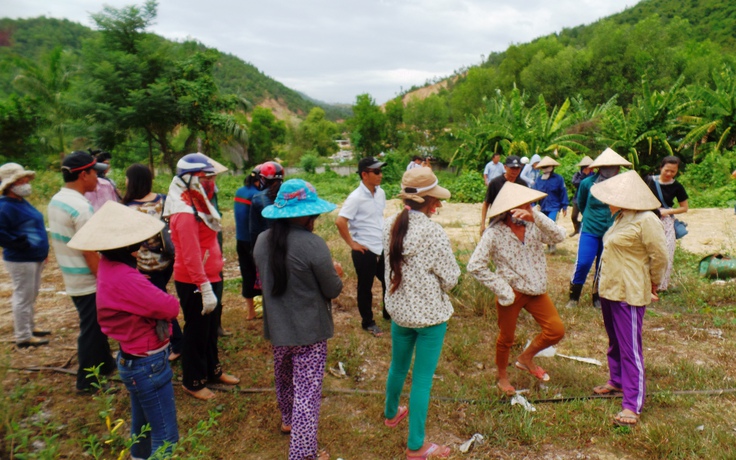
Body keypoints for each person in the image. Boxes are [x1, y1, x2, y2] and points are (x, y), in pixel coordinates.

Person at [68, 201, 180, 458]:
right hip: (148, 361)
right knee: (166, 437)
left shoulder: (109, 265)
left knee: (143, 429)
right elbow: (170, 307)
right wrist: (145, 289)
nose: (139, 245)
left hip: (132, 358)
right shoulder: (126, 277)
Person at [253, 179, 342, 460]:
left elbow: (272, 279)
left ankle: (287, 419)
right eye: (313, 214)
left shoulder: (261, 241)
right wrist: (335, 271)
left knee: (284, 376)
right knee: (307, 393)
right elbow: (332, 289)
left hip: (278, 329)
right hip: (309, 332)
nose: (315, 219)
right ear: (304, 214)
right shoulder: (313, 245)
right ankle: (303, 455)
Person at [382, 167, 460, 460]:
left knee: (398, 367)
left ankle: (391, 414)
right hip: (430, 318)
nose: (438, 205)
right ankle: (416, 446)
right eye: (436, 201)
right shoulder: (433, 232)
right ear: (428, 202)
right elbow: (451, 278)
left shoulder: (388, 224)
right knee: (422, 380)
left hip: (399, 311)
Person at [468, 182, 566, 395]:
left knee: (556, 330)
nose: (528, 207)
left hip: (536, 290)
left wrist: (536, 218)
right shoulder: (494, 233)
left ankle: (525, 358)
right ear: (509, 208)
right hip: (511, 292)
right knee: (506, 338)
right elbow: (475, 265)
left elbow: (559, 236)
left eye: (530, 204)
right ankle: (502, 375)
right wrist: (503, 288)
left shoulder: (533, 224)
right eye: (524, 204)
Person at [589, 171, 667, 427]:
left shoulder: (647, 219)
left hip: (630, 292)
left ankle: (632, 404)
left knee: (631, 349)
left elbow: (660, 256)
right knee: (615, 342)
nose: (607, 202)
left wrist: (654, 282)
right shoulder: (621, 217)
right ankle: (617, 382)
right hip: (610, 290)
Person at [163, 153, 239, 400]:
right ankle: (193, 381)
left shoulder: (198, 202)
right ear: (190, 179)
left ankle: (213, 370)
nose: (211, 182)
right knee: (196, 330)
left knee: (209, 330)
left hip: (210, 275)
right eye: (206, 177)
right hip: (195, 280)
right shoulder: (184, 211)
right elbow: (190, 253)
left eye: (212, 177)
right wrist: (204, 287)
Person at [48, 151, 117, 392]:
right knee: (92, 331)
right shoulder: (81, 207)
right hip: (86, 279)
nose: (99, 178)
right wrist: (105, 281)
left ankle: (106, 365)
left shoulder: (58, 199)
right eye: (94, 172)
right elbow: (89, 252)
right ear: (83, 174)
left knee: (95, 326)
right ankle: (87, 382)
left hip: (72, 275)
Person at [122, 164, 181, 361]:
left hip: (146, 265)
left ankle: (177, 343)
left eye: (127, 178)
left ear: (133, 181)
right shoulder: (163, 199)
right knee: (160, 295)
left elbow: (128, 243)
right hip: (167, 259)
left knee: (159, 302)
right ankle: (168, 339)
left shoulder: (129, 208)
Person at [566, 148, 631, 309]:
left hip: (611, 231)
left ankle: (597, 296)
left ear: (618, 168)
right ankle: (574, 296)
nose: (610, 170)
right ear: (599, 167)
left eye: (613, 167)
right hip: (590, 228)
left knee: (604, 264)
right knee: (583, 262)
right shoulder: (587, 183)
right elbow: (581, 203)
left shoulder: (623, 185)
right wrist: (590, 217)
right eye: (606, 166)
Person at [335, 156, 388, 337]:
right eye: (376, 172)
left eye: (381, 171)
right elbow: (340, 221)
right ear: (364, 175)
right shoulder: (355, 198)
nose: (380, 175)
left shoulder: (380, 193)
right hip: (364, 250)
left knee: (389, 280)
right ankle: (368, 322)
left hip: (380, 246)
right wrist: (352, 243)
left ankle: (389, 314)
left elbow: (378, 217)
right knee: (365, 287)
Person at [0, 163, 50, 348]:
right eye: (21, 180)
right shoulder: (4, 206)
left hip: (34, 257)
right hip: (21, 259)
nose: (27, 182)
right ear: (10, 185)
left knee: (31, 294)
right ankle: (23, 336)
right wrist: (15, 242)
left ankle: (29, 327)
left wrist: (43, 251)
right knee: (23, 295)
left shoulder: (20, 202)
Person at [645, 156, 689, 292]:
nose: (669, 174)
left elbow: (684, 208)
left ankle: (660, 286)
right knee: (647, 251)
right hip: (647, 219)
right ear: (660, 168)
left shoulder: (677, 186)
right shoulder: (648, 181)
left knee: (666, 252)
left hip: (666, 221)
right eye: (667, 170)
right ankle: (645, 284)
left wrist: (668, 211)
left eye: (673, 172)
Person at [234, 165, 263, 320]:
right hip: (255, 241)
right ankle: (269, 309)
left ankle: (251, 312)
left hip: (241, 239)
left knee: (247, 274)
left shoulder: (240, 191)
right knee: (263, 274)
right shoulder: (258, 196)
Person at [479, 155, 526, 236]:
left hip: (515, 223)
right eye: (512, 168)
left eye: (517, 168)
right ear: (505, 167)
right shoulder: (495, 183)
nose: (515, 171)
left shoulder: (522, 184)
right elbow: (486, 204)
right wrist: (482, 224)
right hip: (497, 221)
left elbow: (526, 205)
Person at [533, 156, 569, 253]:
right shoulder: (539, 180)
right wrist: (532, 207)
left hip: (554, 206)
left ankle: (552, 245)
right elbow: (534, 193)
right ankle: (548, 244)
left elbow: (563, 192)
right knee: (543, 226)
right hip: (543, 206)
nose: (546, 168)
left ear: (552, 167)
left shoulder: (558, 179)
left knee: (551, 223)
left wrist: (564, 206)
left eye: (548, 166)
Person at [249, 161, 285, 247]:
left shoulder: (257, 198)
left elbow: (254, 230)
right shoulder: (291, 194)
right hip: (290, 243)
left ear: (263, 179)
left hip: (267, 245)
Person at [570, 156, 594, 237]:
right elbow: (575, 183)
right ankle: (577, 228)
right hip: (577, 199)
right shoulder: (577, 175)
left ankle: (585, 230)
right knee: (573, 216)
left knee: (587, 216)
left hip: (588, 199)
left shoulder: (593, 175)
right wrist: (583, 175)